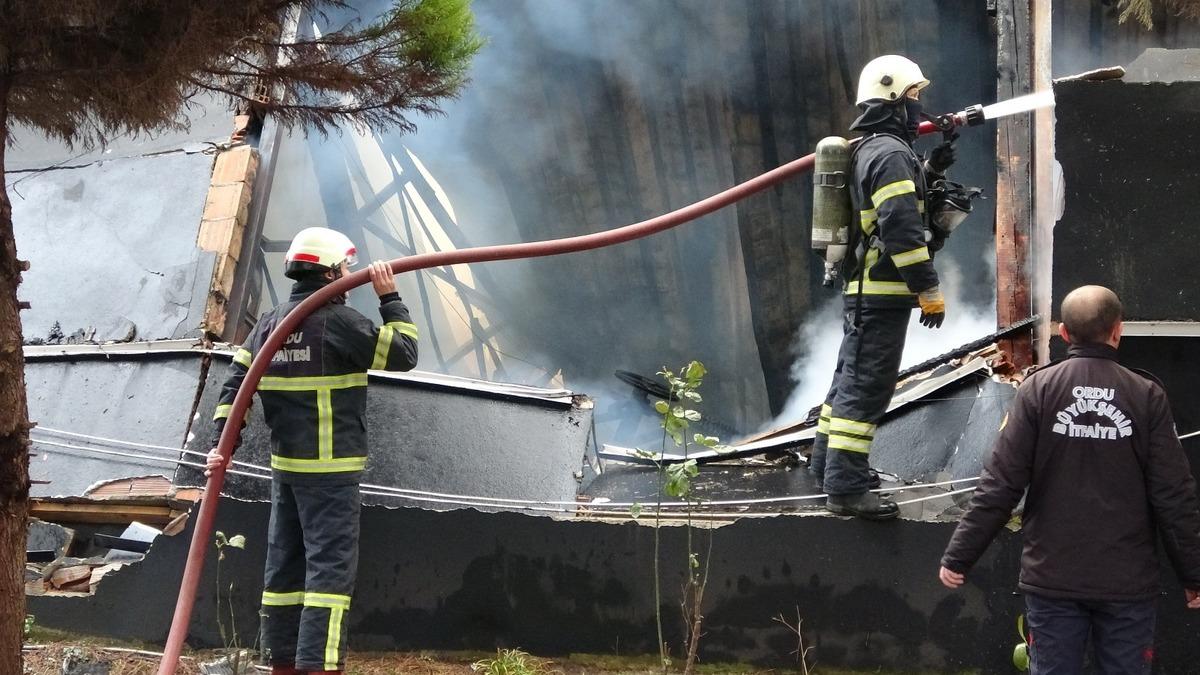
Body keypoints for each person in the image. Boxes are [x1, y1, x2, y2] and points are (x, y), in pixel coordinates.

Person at [939, 285, 1200, 674]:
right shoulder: (1147, 395)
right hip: (1126, 584)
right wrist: (1193, 574)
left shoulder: (1037, 390)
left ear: (1063, 333)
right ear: (1117, 331)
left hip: (1052, 581)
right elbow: (1174, 494)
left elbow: (1001, 483)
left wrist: (959, 556)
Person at [205, 227, 419, 675]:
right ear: (331, 271)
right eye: (345, 267)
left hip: (285, 471)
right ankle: (318, 668)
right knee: (329, 576)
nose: (349, 273)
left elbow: (234, 387)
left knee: (284, 568)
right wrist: (389, 296)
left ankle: (280, 663)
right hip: (332, 474)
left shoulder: (269, 323)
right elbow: (404, 353)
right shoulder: (338, 323)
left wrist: (221, 445)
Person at [808, 54, 959, 519]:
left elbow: (901, 202)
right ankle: (847, 490)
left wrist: (933, 167)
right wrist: (927, 289)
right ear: (893, 100)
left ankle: (827, 469)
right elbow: (900, 226)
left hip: (866, 290)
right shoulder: (890, 153)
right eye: (914, 97)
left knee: (848, 380)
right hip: (883, 291)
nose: (920, 106)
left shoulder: (879, 149)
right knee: (868, 386)